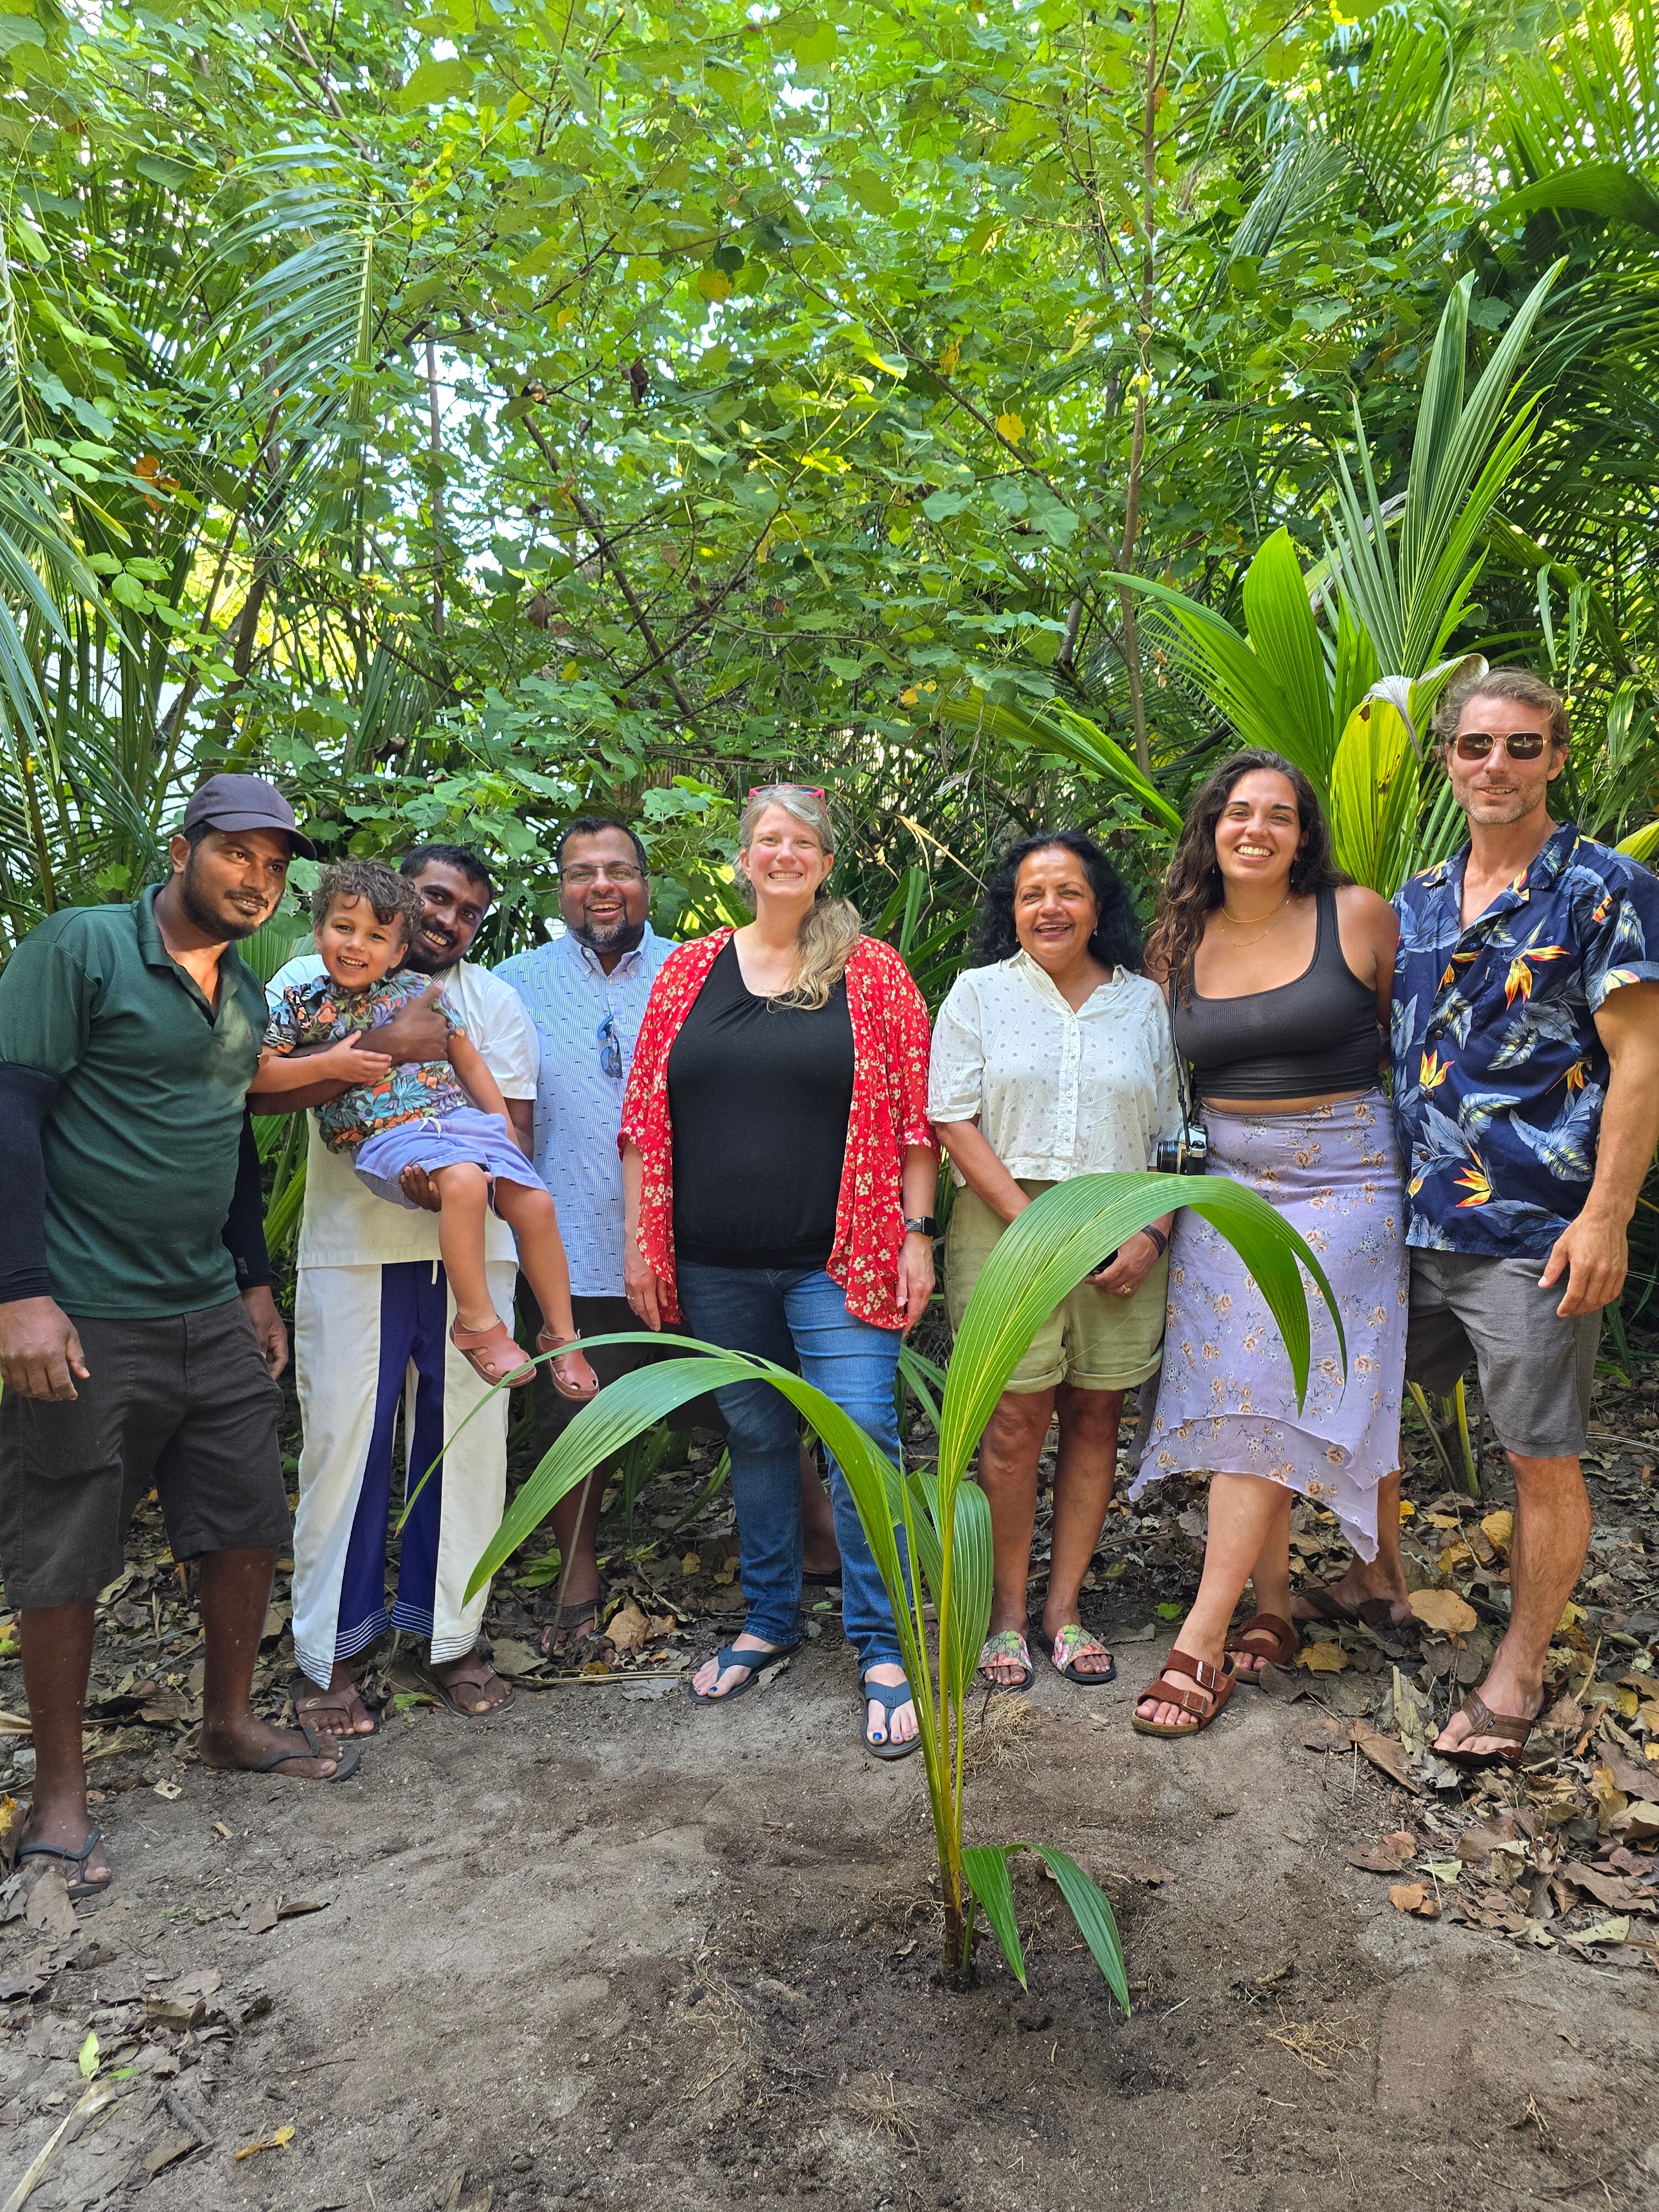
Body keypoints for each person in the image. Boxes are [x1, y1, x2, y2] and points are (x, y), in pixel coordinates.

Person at [0, 774, 361, 1901]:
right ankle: (60, 1794)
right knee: (67, 1541)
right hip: (87, 1307)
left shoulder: (244, 991)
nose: (257, 879)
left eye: (275, 865)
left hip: (207, 1303)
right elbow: (10, 1109)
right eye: (237, 853)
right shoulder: (84, 947)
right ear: (182, 848)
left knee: (245, 1515)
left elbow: (228, 1143)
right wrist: (20, 1293)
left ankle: (230, 1722)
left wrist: (253, 1282)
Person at [1361, 670, 1659, 1767]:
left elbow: (1642, 1063)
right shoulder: (1415, 900)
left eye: (1523, 746)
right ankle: (1379, 1578)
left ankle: (1520, 1668)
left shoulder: (1606, 888)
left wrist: (1607, 1217)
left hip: (1534, 1228)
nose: (1498, 765)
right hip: (1407, 1218)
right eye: (1477, 746)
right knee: (1359, 1410)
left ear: (1556, 758)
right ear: (1447, 758)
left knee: (1540, 1453)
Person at [619, 785, 937, 1755]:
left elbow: (915, 1120)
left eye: (803, 841)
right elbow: (643, 1118)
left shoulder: (872, 972)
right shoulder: (689, 970)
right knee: (756, 1436)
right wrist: (641, 1244)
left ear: (826, 862)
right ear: (744, 860)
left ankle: (882, 1643)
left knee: (863, 1435)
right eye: (768, 839)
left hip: (840, 1260)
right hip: (715, 1262)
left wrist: (918, 1233)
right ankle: (769, 1619)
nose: (784, 853)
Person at [494, 816, 841, 1655]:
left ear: (647, 884)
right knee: (575, 1418)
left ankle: (824, 1549)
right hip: (572, 1243)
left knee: (752, 1403)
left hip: (699, 1242)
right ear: (560, 889)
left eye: (619, 870)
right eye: (581, 872)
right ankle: (577, 1588)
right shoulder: (517, 983)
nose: (601, 886)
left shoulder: (703, 967)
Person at [1130, 750, 1404, 1738]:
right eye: (1238, 812)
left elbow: (1411, 1049)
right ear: (1211, 830)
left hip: (1348, 1187)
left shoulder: (1358, 916)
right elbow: (1167, 1087)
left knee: (1268, 1390)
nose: (1257, 829)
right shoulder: (1177, 942)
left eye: (1279, 815)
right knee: (1246, 1394)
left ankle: (1199, 1642)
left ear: (1304, 835)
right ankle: (1275, 1606)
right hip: (1225, 1190)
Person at [253, 845, 547, 1726]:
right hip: (354, 1249)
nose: (445, 919)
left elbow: (511, 1126)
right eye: (433, 898)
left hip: (474, 1257)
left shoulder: (490, 1001)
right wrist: (384, 1045)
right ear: (398, 901)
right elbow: (257, 1093)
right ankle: (328, 1657)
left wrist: (470, 1174)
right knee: (343, 1447)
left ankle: (450, 1640)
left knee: (467, 1448)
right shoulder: (309, 979)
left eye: (467, 910)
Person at [930, 832, 1178, 1692]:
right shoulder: (979, 994)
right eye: (1032, 893)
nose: (1051, 908)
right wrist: (1038, 1226)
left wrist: (1152, 1233)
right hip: (1006, 1221)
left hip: (1123, 1220)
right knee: (1012, 1422)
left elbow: (1175, 1132)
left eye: (1068, 891)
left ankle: (1063, 1609)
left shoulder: (1144, 1004)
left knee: (1097, 1415)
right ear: (1013, 910)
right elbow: (952, 1117)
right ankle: (1005, 1613)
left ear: (1098, 906)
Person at [259, 858, 596, 1398]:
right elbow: (257, 1077)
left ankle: (561, 1334)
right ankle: (477, 1322)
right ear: (318, 931)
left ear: (398, 948)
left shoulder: (426, 991)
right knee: (463, 1181)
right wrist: (338, 1062)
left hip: (456, 1120)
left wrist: (502, 1131)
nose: (357, 945)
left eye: (376, 936)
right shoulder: (304, 1000)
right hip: (388, 1136)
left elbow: (470, 1063)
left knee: (535, 1202)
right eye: (344, 928)